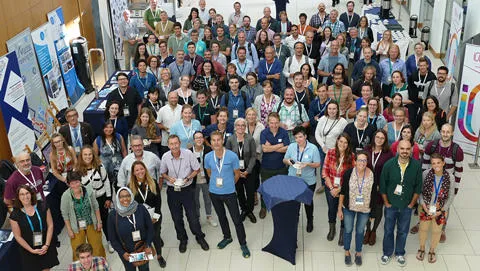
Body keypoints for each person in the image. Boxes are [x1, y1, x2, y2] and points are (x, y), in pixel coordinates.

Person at [160, 135, 210, 253]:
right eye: (171, 144)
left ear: (180, 143)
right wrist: (169, 178)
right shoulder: (165, 156)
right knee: (177, 218)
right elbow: (163, 173)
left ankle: (199, 237)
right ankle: (182, 239)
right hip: (173, 191)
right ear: (168, 145)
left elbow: (197, 169)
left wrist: (187, 178)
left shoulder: (188, 153)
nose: (174, 146)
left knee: (192, 217)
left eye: (176, 143)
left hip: (187, 189)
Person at [205, 131, 251, 257]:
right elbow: (209, 173)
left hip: (229, 192)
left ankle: (243, 243)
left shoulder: (232, 156)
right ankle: (227, 237)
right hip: (214, 192)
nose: (216, 142)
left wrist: (229, 184)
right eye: (213, 140)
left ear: (223, 141)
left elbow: (237, 174)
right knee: (221, 216)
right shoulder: (208, 157)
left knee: (236, 219)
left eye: (218, 140)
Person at [380, 140, 422, 267]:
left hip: (406, 206)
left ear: (411, 150)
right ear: (397, 149)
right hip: (391, 205)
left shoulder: (416, 166)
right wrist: (386, 203)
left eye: (407, 149)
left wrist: (411, 204)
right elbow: (383, 186)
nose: (405, 151)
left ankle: (399, 253)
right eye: (402, 149)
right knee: (388, 230)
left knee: (403, 231)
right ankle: (387, 253)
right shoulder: (388, 165)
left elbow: (418, 187)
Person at [420, 124, 464, 242]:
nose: (445, 134)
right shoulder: (432, 146)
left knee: (445, 206)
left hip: (446, 184)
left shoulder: (457, 150)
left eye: (448, 132)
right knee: (425, 202)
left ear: (452, 133)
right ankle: (422, 222)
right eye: (443, 131)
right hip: (430, 180)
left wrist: (455, 189)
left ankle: (442, 228)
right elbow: (424, 163)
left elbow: (459, 171)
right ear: (440, 132)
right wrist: (423, 181)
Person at [337, 150, 374, 266]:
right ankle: (347, 251)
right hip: (349, 207)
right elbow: (342, 192)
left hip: (365, 209)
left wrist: (373, 214)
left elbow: (374, 194)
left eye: (364, 160)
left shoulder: (372, 174)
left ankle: (358, 252)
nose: (362, 163)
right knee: (348, 230)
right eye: (360, 160)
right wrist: (339, 209)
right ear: (355, 161)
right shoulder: (348, 173)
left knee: (360, 231)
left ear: (367, 162)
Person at [9, 185, 59, 271]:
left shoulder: (42, 205)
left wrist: (46, 245)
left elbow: (50, 225)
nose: (25, 196)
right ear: (18, 197)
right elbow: (18, 236)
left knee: (46, 268)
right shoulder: (15, 215)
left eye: (27, 193)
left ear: (31, 194)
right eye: (22, 194)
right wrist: (31, 250)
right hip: (29, 250)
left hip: (45, 245)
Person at [415, 153, 453, 264]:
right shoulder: (426, 174)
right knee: (423, 229)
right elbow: (420, 192)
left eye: (438, 163)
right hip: (425, 207)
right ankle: (422, 248)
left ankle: (432, 250)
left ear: (443, 163)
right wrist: (423, 206)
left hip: (440, 210)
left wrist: (441, 210)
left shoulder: (450, 177)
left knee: (437, 231)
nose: (436, 165)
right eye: (433, 163)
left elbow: (451, 196)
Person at [128, 161, 166, 267]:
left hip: (155, 216)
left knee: (156, 236)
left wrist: (156, 216)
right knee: (144, 238)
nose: (140, 171)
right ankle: (145, 257)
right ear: (133, 173)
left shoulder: (153, 182)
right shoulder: (130, 187)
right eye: (137, 170)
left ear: (145, 169)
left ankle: (159, 256)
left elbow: (158, 201)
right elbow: (130, 206)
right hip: (140, 219)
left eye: (141, 169)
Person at [61, 171, 105, 261]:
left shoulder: (88, 190)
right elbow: (65, 214)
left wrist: (99, 221)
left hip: (91, 223)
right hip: (76, 227)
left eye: (77, 182)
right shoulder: (65, 196)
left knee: (97, 246)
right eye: (72, 183)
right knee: (78, 249)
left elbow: (96, 206)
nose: (75, 185)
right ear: (68, 184)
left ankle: (100, 265)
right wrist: (69, 230)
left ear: (80, 181)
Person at [284, 126, 321, 232]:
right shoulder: (291, 146)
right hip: (293, 180)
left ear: (305, 136)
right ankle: (295, 218)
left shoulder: (313, 148)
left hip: (308, 181)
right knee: (294, 202)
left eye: (300, 137)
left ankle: (310, 220)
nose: (298, 140)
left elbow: (318, 164)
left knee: (307, 202)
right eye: (296, 138)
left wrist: (308, 164)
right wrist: (289, 161)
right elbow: (284, 159)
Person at [107, 187, 154, 271]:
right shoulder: (113, 215)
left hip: (143, 248)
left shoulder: (141, 208)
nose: (125, 199)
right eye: (121, 197)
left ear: (131, 196)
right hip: (127, 253)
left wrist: (148, 244)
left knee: (144, 268)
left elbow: (150, 228)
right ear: (117, 198)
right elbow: (112, 239)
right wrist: (122, 253)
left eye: (127, 195)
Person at [76, 146, 113, 253]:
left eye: (90, 154)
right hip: (86, 201)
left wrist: (108, 198)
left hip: (101, 199)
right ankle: (95, 243)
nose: (88, 157)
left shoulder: (100, 167)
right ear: (81, 156)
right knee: (91, 223)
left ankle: (109, 241)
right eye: (85, 155)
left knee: (104, 221)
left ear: (93, 155)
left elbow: (106, 182)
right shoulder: (77, 170)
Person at [322, 133, 355, 246]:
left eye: (345, 142)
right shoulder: (330, 153)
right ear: (337, 141)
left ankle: (342, 231)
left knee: (343, 210)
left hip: (344, 189)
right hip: (330, 187)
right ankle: (332, 229)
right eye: (341, 141)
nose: (343, 144)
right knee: (332, 209)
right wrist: (331, 188)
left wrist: (340, 189)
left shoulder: (351, 156)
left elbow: (353, 176)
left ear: (348, 144)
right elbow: (324, 172)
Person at [364, 130, 394, 246]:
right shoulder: (366, 149)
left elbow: (389, 172)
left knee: (378, 209)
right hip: (366, 185)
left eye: (382, 138)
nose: (379, 139)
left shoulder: (388, 154)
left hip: (380, 186)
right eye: (377, 137)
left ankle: (374, 231)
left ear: (385, 140)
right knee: (366, 208)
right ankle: (367, 230)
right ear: (374, 137)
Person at [259, 112, 290, 218]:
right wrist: (279, 145)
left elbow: (286, 149)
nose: (274, 125)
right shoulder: (264, 132)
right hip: (266, 167)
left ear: (279, 122)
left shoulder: (284, 132)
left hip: (281, 167)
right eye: (272, 123)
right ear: (268, 122)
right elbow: (264, 149)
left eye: (276, 123)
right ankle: (263, 207)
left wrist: (271, 147)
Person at [226, 118, 257, 223]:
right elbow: (228, 157)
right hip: (236, 172)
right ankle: (243, 210)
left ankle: (249, 211)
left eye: (243, 125)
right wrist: (237, 172)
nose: (240, 127)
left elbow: (254, 156)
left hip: (249, 171)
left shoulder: (250, 139)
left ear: (245, 127)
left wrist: (247, 170)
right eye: (238, 125)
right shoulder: (230, 139)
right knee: (239, 192)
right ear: (235, 127)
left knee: (250, 192)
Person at [315, 101, 348, 186]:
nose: (331, 111)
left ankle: (336, 186)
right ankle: (324, 185)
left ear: (337, 110)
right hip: (323, 149)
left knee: (335, 169)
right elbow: (317, 133)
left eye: (334, 109)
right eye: (329, 108)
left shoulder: (343, 122)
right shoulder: (322, 119)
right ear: (327, 109)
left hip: (336, 151)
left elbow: (345, 137)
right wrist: (322, 146)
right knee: (323, 168)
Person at [190, 131, 217, 227]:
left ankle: (209, 216)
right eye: (197, 138)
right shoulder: (189, 151)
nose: (199, 139)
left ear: (203, 139)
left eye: (201, 137)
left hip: (206, 179)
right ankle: (197, 218)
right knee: (195, 201)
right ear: (193, 140)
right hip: (194, 180)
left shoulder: (209, 149)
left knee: (208, 199)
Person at [93, 120, 127, 191]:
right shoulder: (98, 140)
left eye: (111, 127)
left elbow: (124, 150)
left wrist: (126, 163)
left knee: (120, 187)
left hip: (118, 166)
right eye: (106, 127)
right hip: (105, 167)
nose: (109, 129)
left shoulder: (119, 137)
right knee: (107, 188)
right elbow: (95, 156)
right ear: (103, 128)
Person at [245, 108, 265, 206]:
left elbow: (263, 141)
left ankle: (256, 193)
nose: (251, 117)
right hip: (245, 157)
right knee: (249, 177)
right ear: (246, 116)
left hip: (257, 156)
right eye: (249, 114)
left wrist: (257, 152)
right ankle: (252, 194)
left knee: (256, 177)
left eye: (253, 114)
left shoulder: (261, 126)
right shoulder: (242, 125)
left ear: (256, 116)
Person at [157, 91, 182, 156]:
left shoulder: (182, 109)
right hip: (166, 141)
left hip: (180, 140)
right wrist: (165, 128)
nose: (173, 99)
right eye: (172, 98)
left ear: (178, 98)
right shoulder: (162, 110)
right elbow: (157, 123)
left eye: (175, 98)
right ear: (168, 98)